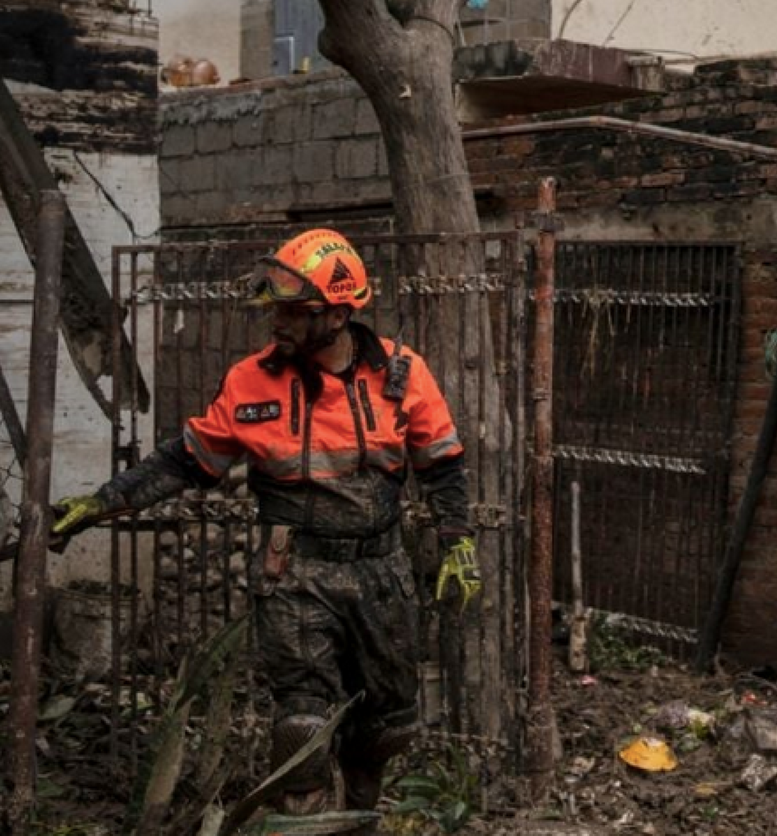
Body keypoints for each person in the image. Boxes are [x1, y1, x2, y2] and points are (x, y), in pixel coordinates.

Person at [52, 229, 480, 815]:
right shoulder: (250, 381)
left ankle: (356, 818)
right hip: (295, 574)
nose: (277, 321)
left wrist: (457, 542)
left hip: (382, 576)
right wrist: (103, 502)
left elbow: (442, 464)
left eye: (293, 311)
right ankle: (303, 820)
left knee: (388, 725)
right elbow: (185, 461)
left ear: (337, 314)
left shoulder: (402, 374)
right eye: (275, 308)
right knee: (301, 727)